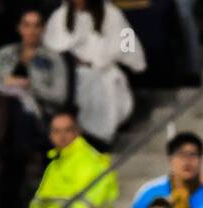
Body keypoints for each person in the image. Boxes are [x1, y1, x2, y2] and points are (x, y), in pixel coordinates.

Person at [43, 0, 146, 147]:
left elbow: (127, 40)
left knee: (102, 83)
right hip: (70, 71)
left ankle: (98, 137)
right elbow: (51, 46)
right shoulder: (60, 15)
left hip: (103, 69)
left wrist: (122, 59)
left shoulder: (112, 14)